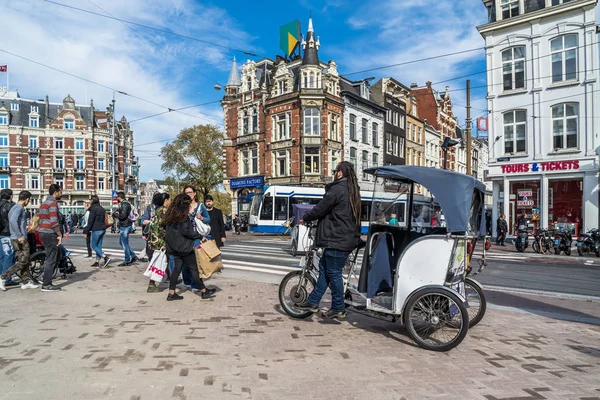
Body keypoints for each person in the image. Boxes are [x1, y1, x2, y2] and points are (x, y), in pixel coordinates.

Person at [295, 161, 361, 320]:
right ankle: (313, 301)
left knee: (333, 272)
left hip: (337, 238)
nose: (334, 173)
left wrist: (305, 217)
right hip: (344, 237)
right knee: (325, 269)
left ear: (339, 173)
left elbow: (321, 208)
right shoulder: (352, 190)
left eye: (335, 171)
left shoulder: (338, 189)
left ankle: (338, 307)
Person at [163, 194, 216, 301]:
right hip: (185, 248)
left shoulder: (170, 217)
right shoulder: (183, 217)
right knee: (194, 270)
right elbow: (187, 232)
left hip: (174, 249)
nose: (190, 206)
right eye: (189, 204)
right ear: (184, 205)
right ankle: (203, 291)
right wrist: (200, 236)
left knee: (176, 270)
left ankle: (171, 293)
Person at [0, 191, 37, 291]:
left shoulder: (14, 207)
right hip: (19, 239)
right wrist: (20, 235)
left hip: (16, 237)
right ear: (27, 199)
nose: (28, 202)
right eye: (29, 200)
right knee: (23, 261)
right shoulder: (18, 208)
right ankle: (3, 277)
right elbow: (12, 221)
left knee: (25, 260)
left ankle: (25, 282)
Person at [181, 186, 210, 292]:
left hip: (197, 236)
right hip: (185, 237)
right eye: (186, 192)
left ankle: (196, 284)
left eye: (190, 192)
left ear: (195, 194)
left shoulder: (200, 206)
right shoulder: (183, 206)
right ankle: (188, 281)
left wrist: (201, 217)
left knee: (196, 261)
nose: (188, 194)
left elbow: (208, 219)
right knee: (185, 262)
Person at [38, 184, 63, 292]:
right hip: (50, 233)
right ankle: (46, 284)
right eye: (60, 192)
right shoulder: (53, 203)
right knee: (51, 259)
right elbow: (54, 221)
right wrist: (59, 234)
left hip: (43, 232)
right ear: (56, 192)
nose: (61, 194)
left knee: (52, 256)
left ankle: (46, 278)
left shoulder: (44, 203)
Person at [146, 192, 171, 293]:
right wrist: (166, 241)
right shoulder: (164, 211)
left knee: (162, 261)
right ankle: (152, 285)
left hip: (154, 240)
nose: (170, 202)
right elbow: (164, 227)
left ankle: (172, 277)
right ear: (165, 201)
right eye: (170, 200)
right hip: (161, 241)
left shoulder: (157, 210)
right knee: (159, 262)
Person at [84, 195, 110, 268]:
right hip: (103, 229)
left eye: (90, 200)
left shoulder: (93, 209)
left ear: (92, 200)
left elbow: (90, 221)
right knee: (99, 246)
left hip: (96, 229)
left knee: (94, 246)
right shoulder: (102, 208)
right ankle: (97, 261)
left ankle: (105, 257)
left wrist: (86, 231)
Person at [113, 192, 137, 266]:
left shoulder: (125, 204)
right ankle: (133, 256)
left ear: (120, 197)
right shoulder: (124, 204)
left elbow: (123, 216)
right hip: (125, 225)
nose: (116, 198)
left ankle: (127, 260)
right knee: (122, 242)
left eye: (117, 197)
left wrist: (115, 214)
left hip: (126, 225)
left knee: (124, 243)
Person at [0, 188, 15, 285]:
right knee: (9, 256)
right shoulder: (10, 206)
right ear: (11, 196)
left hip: (0, 233)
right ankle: (6, 279)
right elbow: (13, 221)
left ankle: (1, 276)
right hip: (7, 233)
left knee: (1, 257)